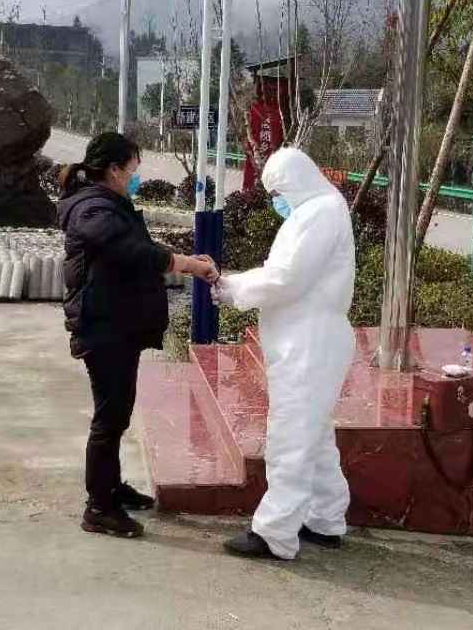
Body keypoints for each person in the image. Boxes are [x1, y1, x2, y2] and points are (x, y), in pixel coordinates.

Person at [57, 132, 219, 539]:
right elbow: (132, 252)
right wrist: (187, 265)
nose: (135, 177)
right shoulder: (92, 208)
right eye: (133, 169)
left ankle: (112, 488)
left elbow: (138, 244)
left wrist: (184, 257)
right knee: (109, 418)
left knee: (118, 413)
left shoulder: (108, 204)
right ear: (114, 168)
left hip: (117, 324)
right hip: (102, 327)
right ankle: (99, 508)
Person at [211, 147, 357, 560]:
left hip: (309, 341)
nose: (276, 200)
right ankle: (326, 519)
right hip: (307, 340)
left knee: (291, 435)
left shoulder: (319, 213)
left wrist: (234, 289)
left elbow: (287, 279)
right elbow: (283, 274)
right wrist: (233, 284)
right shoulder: (317, 209)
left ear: (294, 182)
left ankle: (274, 533)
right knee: (314, 434)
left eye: (277, 192)